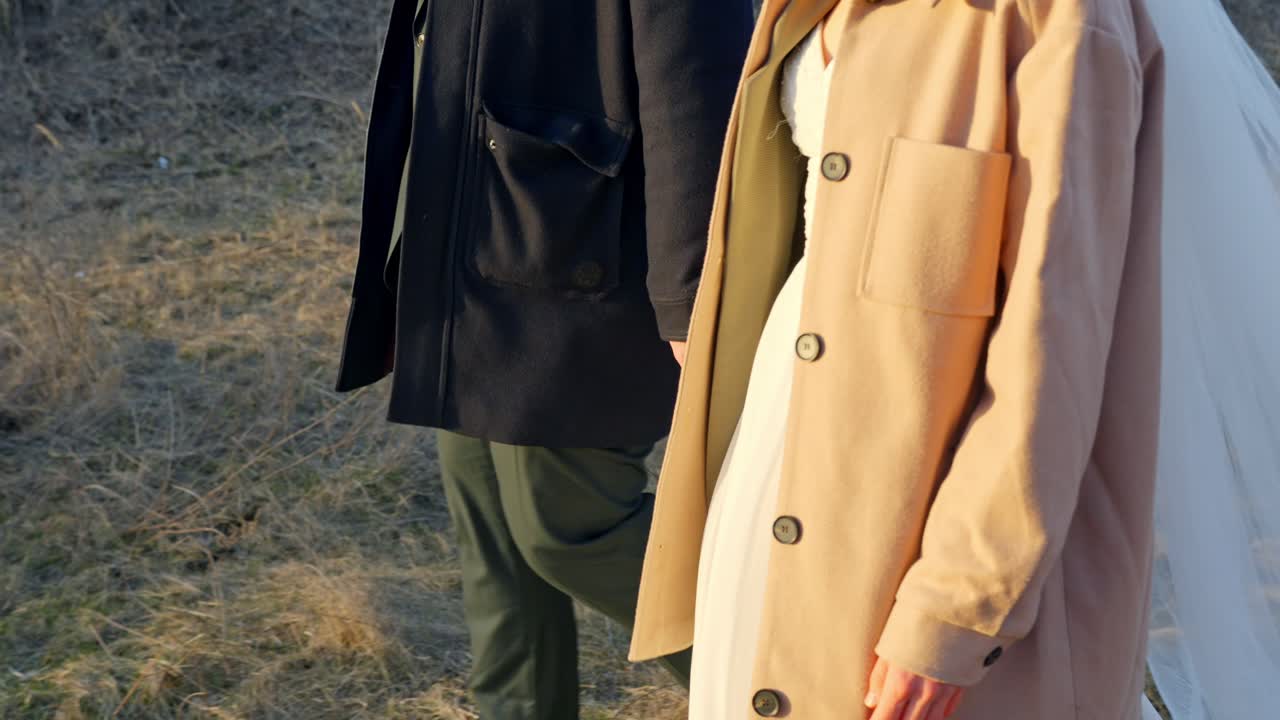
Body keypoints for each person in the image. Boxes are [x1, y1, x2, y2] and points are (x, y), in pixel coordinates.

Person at [631, 0, 1170, 718]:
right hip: (777, 443)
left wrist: (955, 610)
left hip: (925, 512)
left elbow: (1054, 350)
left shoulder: (1066, 20)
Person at [333, 0, 753, 717]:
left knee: (572, 529)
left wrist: (690, 295)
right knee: (496, 548)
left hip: (579, 253)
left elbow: (697, 82)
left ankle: (793, 680)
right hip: (473, 239)